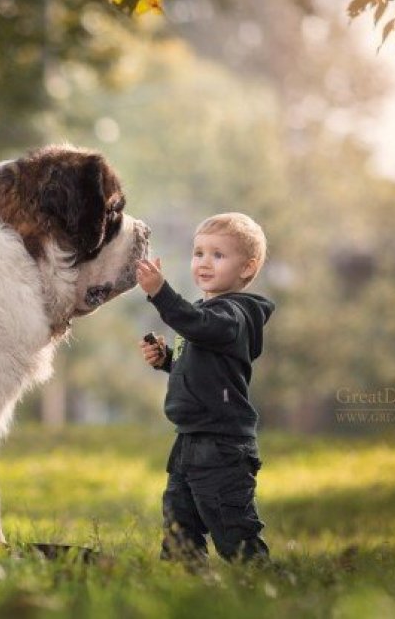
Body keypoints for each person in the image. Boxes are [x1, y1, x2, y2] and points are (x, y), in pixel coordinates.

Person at [136, 212, 274, 565]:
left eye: (218, 255)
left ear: (247, 268)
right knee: (179, 525)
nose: (204, 263)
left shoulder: (236, 314)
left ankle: (261, 584)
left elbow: (200, 326)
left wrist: (161, 294)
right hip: (190, 440)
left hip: (222, 444)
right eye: (199, 253)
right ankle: (186, 586)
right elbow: (201, 362)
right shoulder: (207, 314)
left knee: (233, 528)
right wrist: (166, 359)